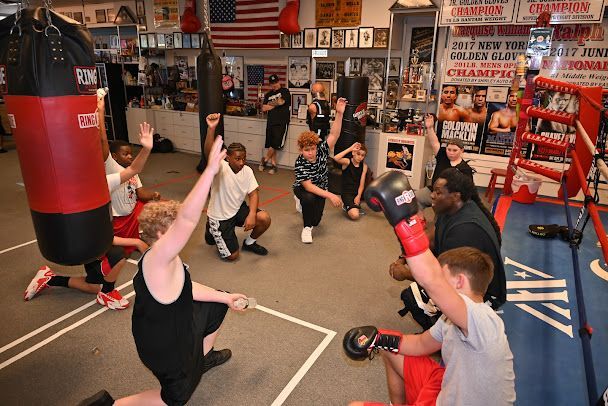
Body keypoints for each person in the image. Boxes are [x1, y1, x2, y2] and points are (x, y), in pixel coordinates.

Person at [79, 136, 249, 406]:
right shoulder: (157, 260)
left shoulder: (166, 260)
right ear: (160, 233)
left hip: (173, 322)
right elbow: (189, 219)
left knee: (217, 303)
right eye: (174, 228)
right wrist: (208, 173)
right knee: (174, 398)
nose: (182, 233)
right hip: (163, 345)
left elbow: (187, 288)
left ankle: (201, 361)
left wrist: (226, 298)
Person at [344, 171, 515, 405]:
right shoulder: (452, 319)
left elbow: (431, 280)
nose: (438, 284)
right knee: (391, 343)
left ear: (460, 281)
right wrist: (378, 339)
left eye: (444, 277)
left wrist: (406, 224)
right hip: (448, 388)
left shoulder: (481, 321)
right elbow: (420, 344)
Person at [24, 109, 155, 310]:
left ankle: (52, 279)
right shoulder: (68, 197)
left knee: (96, 282)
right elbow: (104, 238)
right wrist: (137, 241)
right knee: (113, 262)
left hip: (99, 242)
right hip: (85, 243)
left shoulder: (106, 182)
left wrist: (146, 148)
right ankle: (105, 291)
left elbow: (134, 170)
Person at [393, 168, 506, 310]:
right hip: (463, 278)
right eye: (433, 191)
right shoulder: (450, 209)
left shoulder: (464, 230)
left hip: (483, 295)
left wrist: (405, 273)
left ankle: (452, 329)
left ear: (456, 196)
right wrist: (404, 257)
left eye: (438, 192)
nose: (432, 196)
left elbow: (442, 279)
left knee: (413, 298)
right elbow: (432, 239)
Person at [203, 113, 270, 260]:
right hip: (220, 217)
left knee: (264, 218)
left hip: (237, 209)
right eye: (237, 159)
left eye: (244, 158)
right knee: (232, 256)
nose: (241, 162)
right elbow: (209, 153)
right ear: (228, 158)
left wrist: (252, 214)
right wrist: (211, 129)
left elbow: (253, 193)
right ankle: (211, 229)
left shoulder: (247, 170)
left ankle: (249, 243)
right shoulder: (220, 167)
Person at [293, 98, 347, 243]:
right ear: (301, 150)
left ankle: (309, 217)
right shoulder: (300, 162)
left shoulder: (322, 151)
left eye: (312, 149)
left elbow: (334, 135)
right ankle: (306, 228)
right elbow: (308, 186)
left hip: (321, 187)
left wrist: (339, 113)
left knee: (316, 221)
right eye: (306, 150)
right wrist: (331, 195)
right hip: (303, 188)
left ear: (317, 147)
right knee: (308, 199)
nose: (310, 153)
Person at [106, 139, 161, 255]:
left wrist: (153, 195)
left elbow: (140, 193)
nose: (130, 156)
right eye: (125, 154)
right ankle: (129, 241)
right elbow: (103, 145)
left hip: (132, 213)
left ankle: (142, 236)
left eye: (131, 153)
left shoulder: (133, 171)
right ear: (114, 157)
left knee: (156, 210)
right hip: (118, 219)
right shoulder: (112, 169)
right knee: (121, 253)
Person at [415, 114, 474, 211]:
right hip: (433, 191)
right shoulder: (442, 155)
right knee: (415, 197)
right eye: (449, 149)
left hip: (449, 198)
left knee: (441, 218)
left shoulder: (465, 169)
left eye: (454, 150)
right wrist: (429, 127)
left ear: (462, 151)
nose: (450, 153)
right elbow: (434, 142)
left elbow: (467, 191)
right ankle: (421, 220)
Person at [260, 74, 290, 175]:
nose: (274, 85)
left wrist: (270, 105)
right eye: (272, 84)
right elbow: (264, 108)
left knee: (276, 143)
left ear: (279, 81)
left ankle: (264, 160)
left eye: (275, 83)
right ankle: (273, 165)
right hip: (271, 121)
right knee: (271, 143)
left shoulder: (285, 91)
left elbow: (281, 102)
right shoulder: (268, 94)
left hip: (281, 122)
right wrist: (275, 105)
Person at [333, 142, 368, 220]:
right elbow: (336, 158)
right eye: (358, 154)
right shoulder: (347, 162)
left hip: (357, 192)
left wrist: (358, 196)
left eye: (362, 155)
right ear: (353, 153)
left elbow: (362, 184)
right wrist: (350, 149)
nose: (360, 157)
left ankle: (354, 205)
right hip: (347, 193)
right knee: (355, 216)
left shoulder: (364, 166)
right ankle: (346, 205)